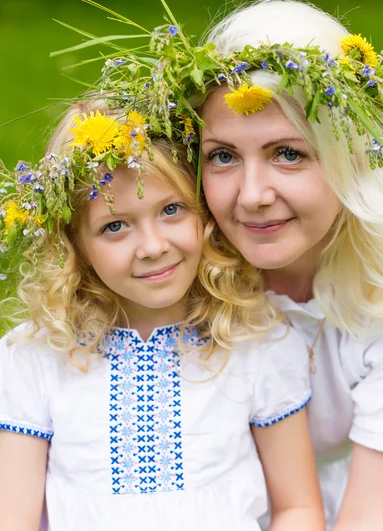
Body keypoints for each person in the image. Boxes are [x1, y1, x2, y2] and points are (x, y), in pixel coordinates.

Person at [0, 98, 324, 530]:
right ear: (77, 245)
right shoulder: (35, 358)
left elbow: (297, 510)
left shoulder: (256, 341)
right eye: (115, 226)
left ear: (205, 212)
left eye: (171, 210)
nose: (152, 247)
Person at [195, 0, 383, 530]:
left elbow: (373, 514)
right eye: (223, 156)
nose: (252, 195)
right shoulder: (166, 281)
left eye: (288, 153)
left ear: (346, 157)